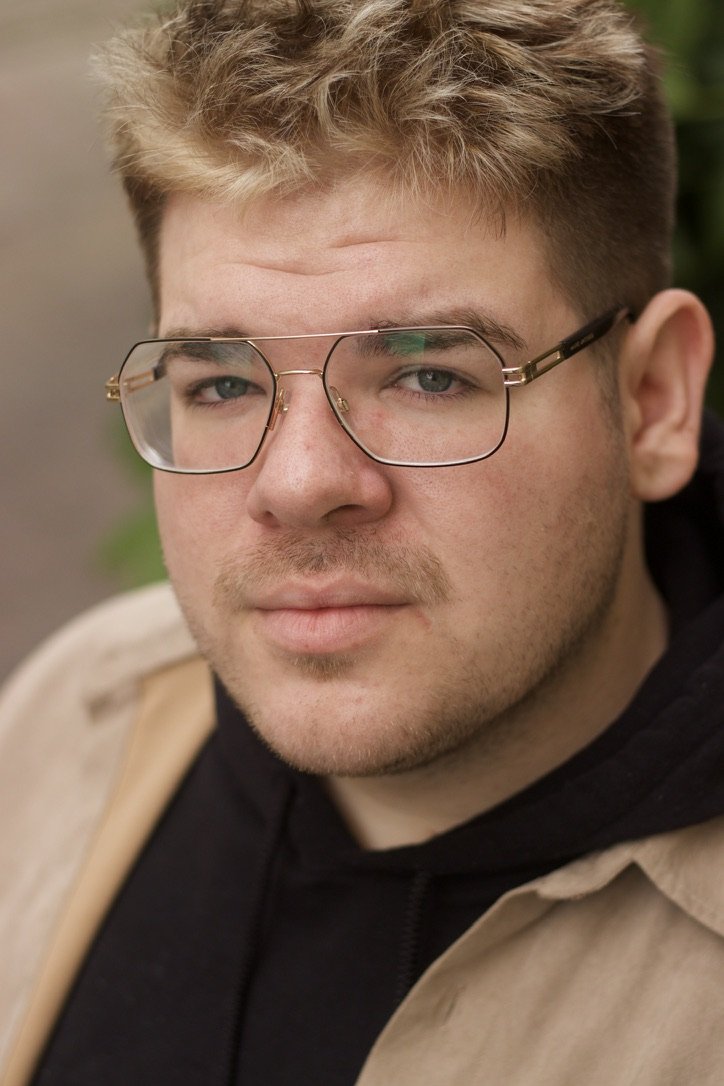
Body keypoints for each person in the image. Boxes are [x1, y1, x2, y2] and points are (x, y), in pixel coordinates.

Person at [1, 0, 723, 1082]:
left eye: (430, 375)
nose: (298, 485)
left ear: (652, 401)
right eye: (223, 382)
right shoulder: (72, 710)